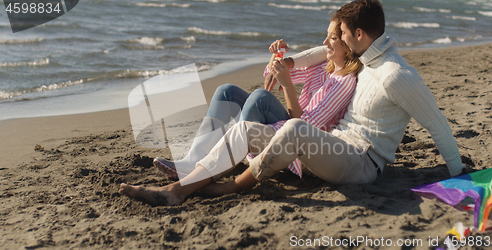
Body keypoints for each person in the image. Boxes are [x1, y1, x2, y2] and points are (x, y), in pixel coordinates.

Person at [119, 0, 465, 206]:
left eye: (340, 34)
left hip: (364, 164)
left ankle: (228, 186)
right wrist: (289, 63)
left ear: (358, 36)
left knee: (295, 126)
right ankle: (176, 189)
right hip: (335, 148)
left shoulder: (392, 73)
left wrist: (461, 178)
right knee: (244, 129)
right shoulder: (367, 59)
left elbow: (436, 123)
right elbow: (324, 54)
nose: (335, 40)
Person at [153, 17, 362, 180]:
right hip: (287, 126)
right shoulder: (321, 67)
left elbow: (305, 125)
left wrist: (288, 85)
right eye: (326, 36)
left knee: (260, 98)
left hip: (296, 147)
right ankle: (193, 160)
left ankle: (217, 162)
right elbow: (270, 77)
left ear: (347, 44)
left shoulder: (344, 82)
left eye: (332, 38)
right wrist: (277, 56)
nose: (325, 42)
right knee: (226, 91)